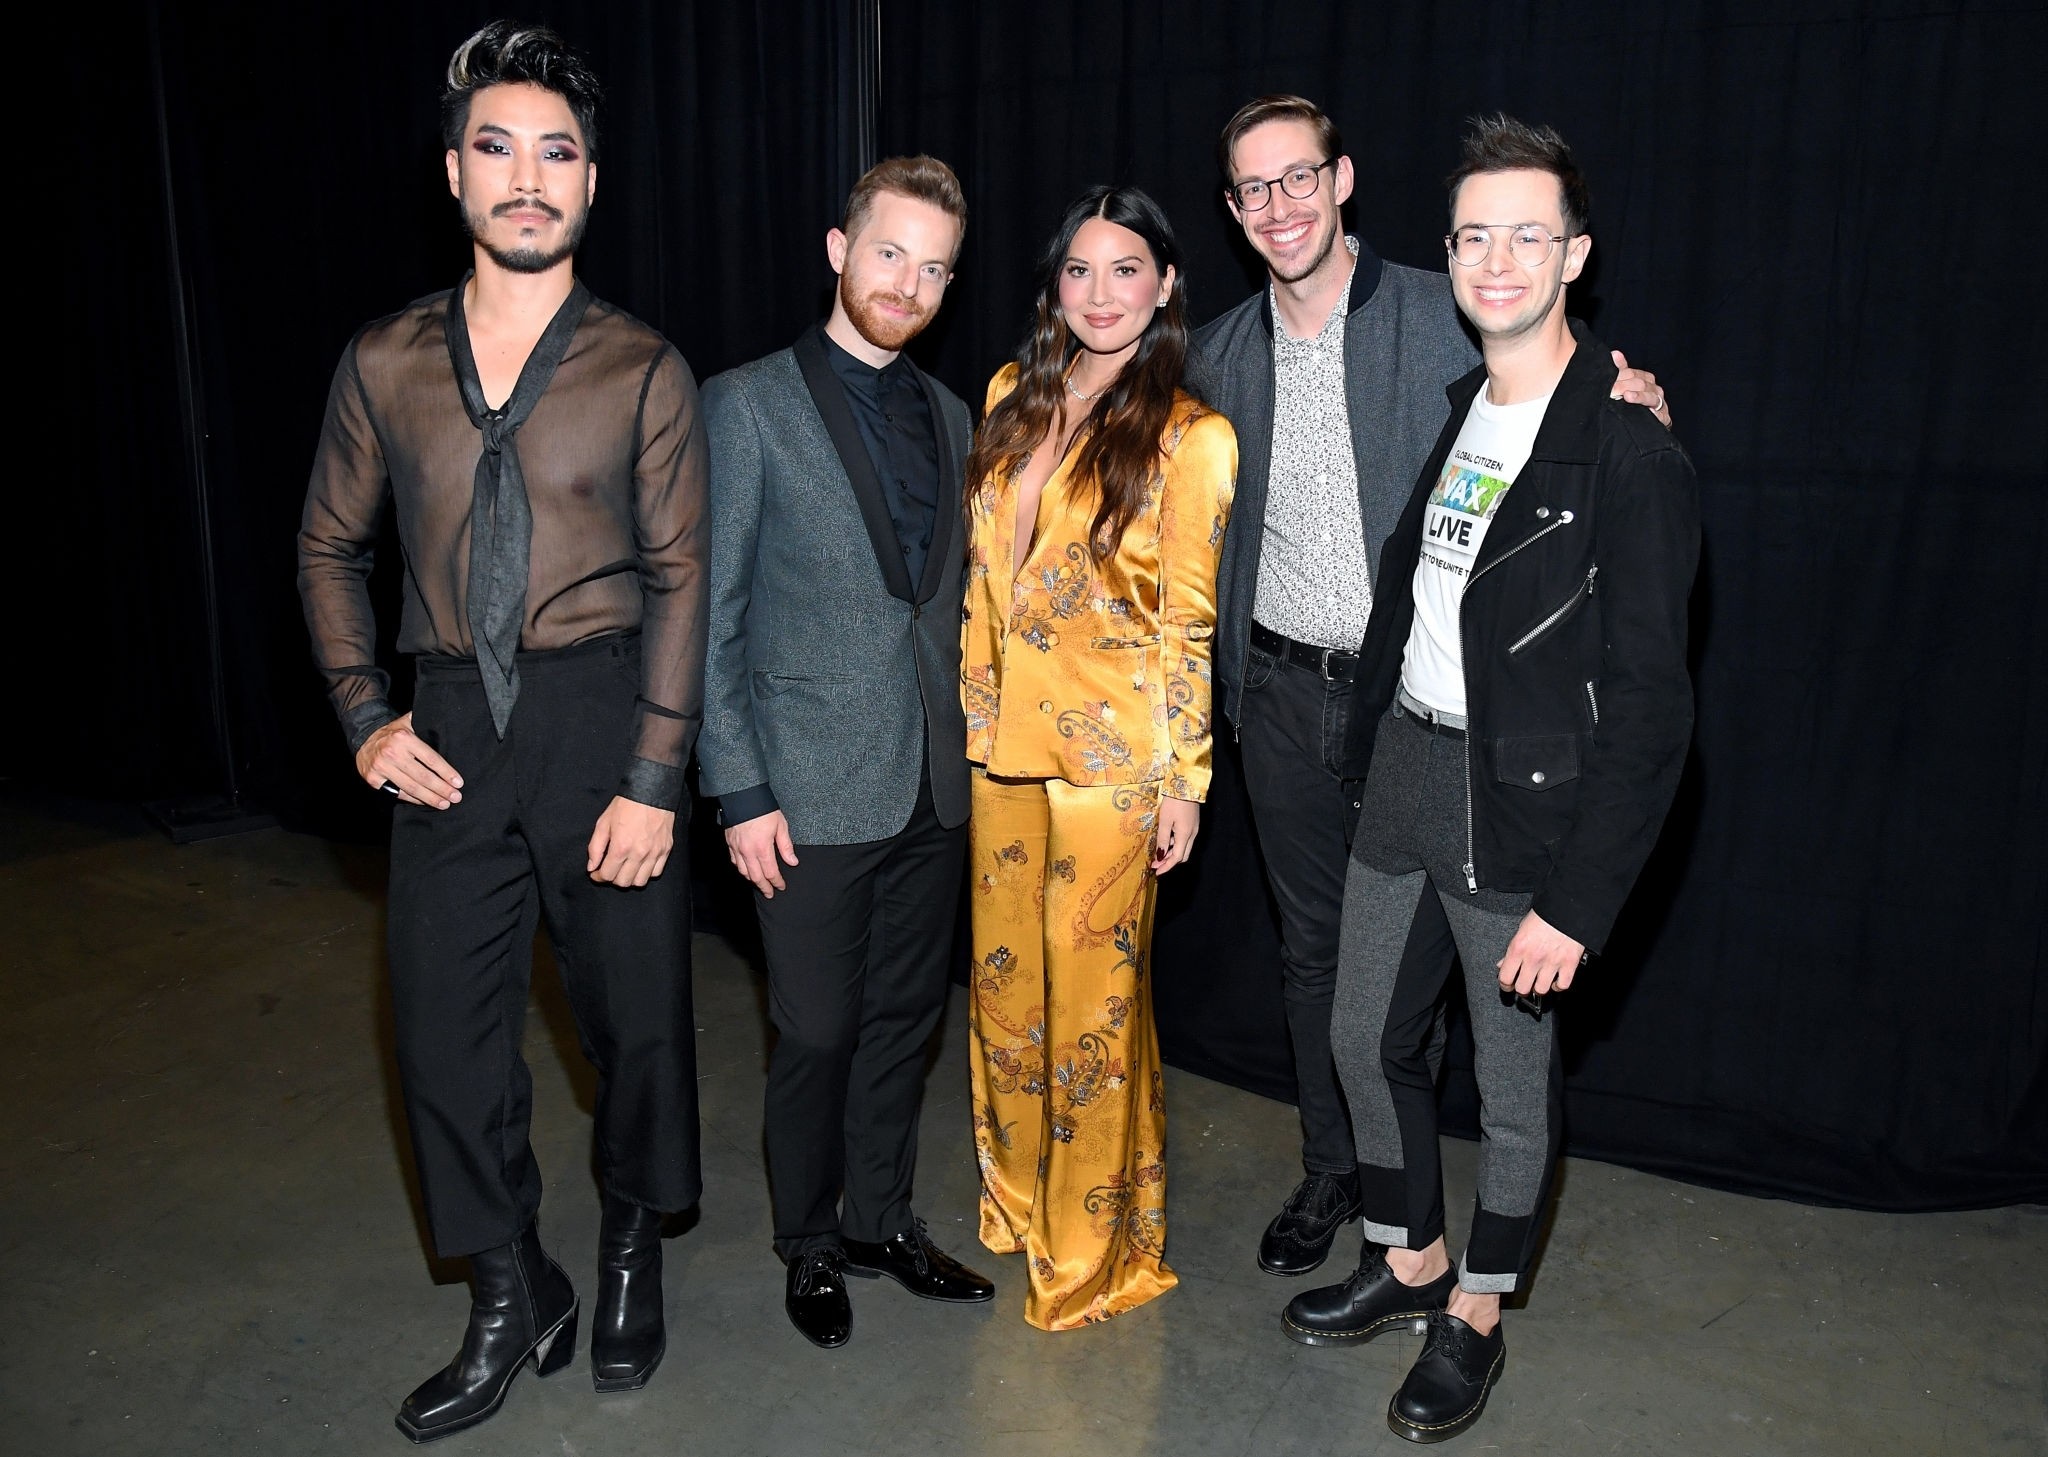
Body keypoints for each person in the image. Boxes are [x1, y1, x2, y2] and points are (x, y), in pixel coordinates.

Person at [295, 22, 707, 1441]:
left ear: (591, 181)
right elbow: (325, 547)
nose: (527, 178)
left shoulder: (643, 367)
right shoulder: (383, 360)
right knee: (442, 1036)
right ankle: (510, 1287)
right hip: (450, 720)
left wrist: (654, 774)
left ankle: (632, 1238)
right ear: (454, 173)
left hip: (605, 713)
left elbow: (683, 578)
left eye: (556, 153)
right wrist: (364, 714)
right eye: (497, 148)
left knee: (636, 1023)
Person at [1186, 95, 1672, 1279]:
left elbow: (1558, 389)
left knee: (1482, 1018)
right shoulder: (1217, 354)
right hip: (1293, 700)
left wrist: (1628, 394)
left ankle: (1466, 1275)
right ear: (1233, 210)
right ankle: (1347, 1188)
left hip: (1460, 727)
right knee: (1327, 970)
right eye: (1252, 188)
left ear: (1341, 179)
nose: (1278, 205)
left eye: (1298, 176)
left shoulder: (1443, 314)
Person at [1295, 114, 1699, 1444]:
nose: (1498, 259)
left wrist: (1577, 904)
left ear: (1575, 255)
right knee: (1363, 1036)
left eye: (1529, 235)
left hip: (1520, 804)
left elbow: (1652, 710)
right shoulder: (1465, 405)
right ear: (1450, 253)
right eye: (1475, 236)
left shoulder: (1629, 452)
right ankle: (1409, 1255)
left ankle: (1476, 1309)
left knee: (1513, 1088)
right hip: (1407, 766)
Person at [697, 156, 995, 1351]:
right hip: (803, 789)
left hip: (931, 781)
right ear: (838, 249)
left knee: (901, 1022)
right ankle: (808, 1240)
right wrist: (738, 790)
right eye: (888, 254)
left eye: (933, 269)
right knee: (815, 1027)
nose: (906, 285)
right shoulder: (745, 404)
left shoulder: (953, 414)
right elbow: (710, 615)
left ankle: (880, 1220)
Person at [961, 186, 1237, 1330]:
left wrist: (1186, 781)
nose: (1100, 293)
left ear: (1164, 284)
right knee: (1005, 997)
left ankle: (1088, 1254)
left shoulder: (1190, 437)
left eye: (1126, 269)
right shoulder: (1007, 397)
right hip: (998, 750)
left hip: (1115, 769)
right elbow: (983, 579)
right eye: (1078, 270)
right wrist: (971, 715)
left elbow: (1188, 623)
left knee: (1092, 1014)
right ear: (1053, 286)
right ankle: (1019, 1201)